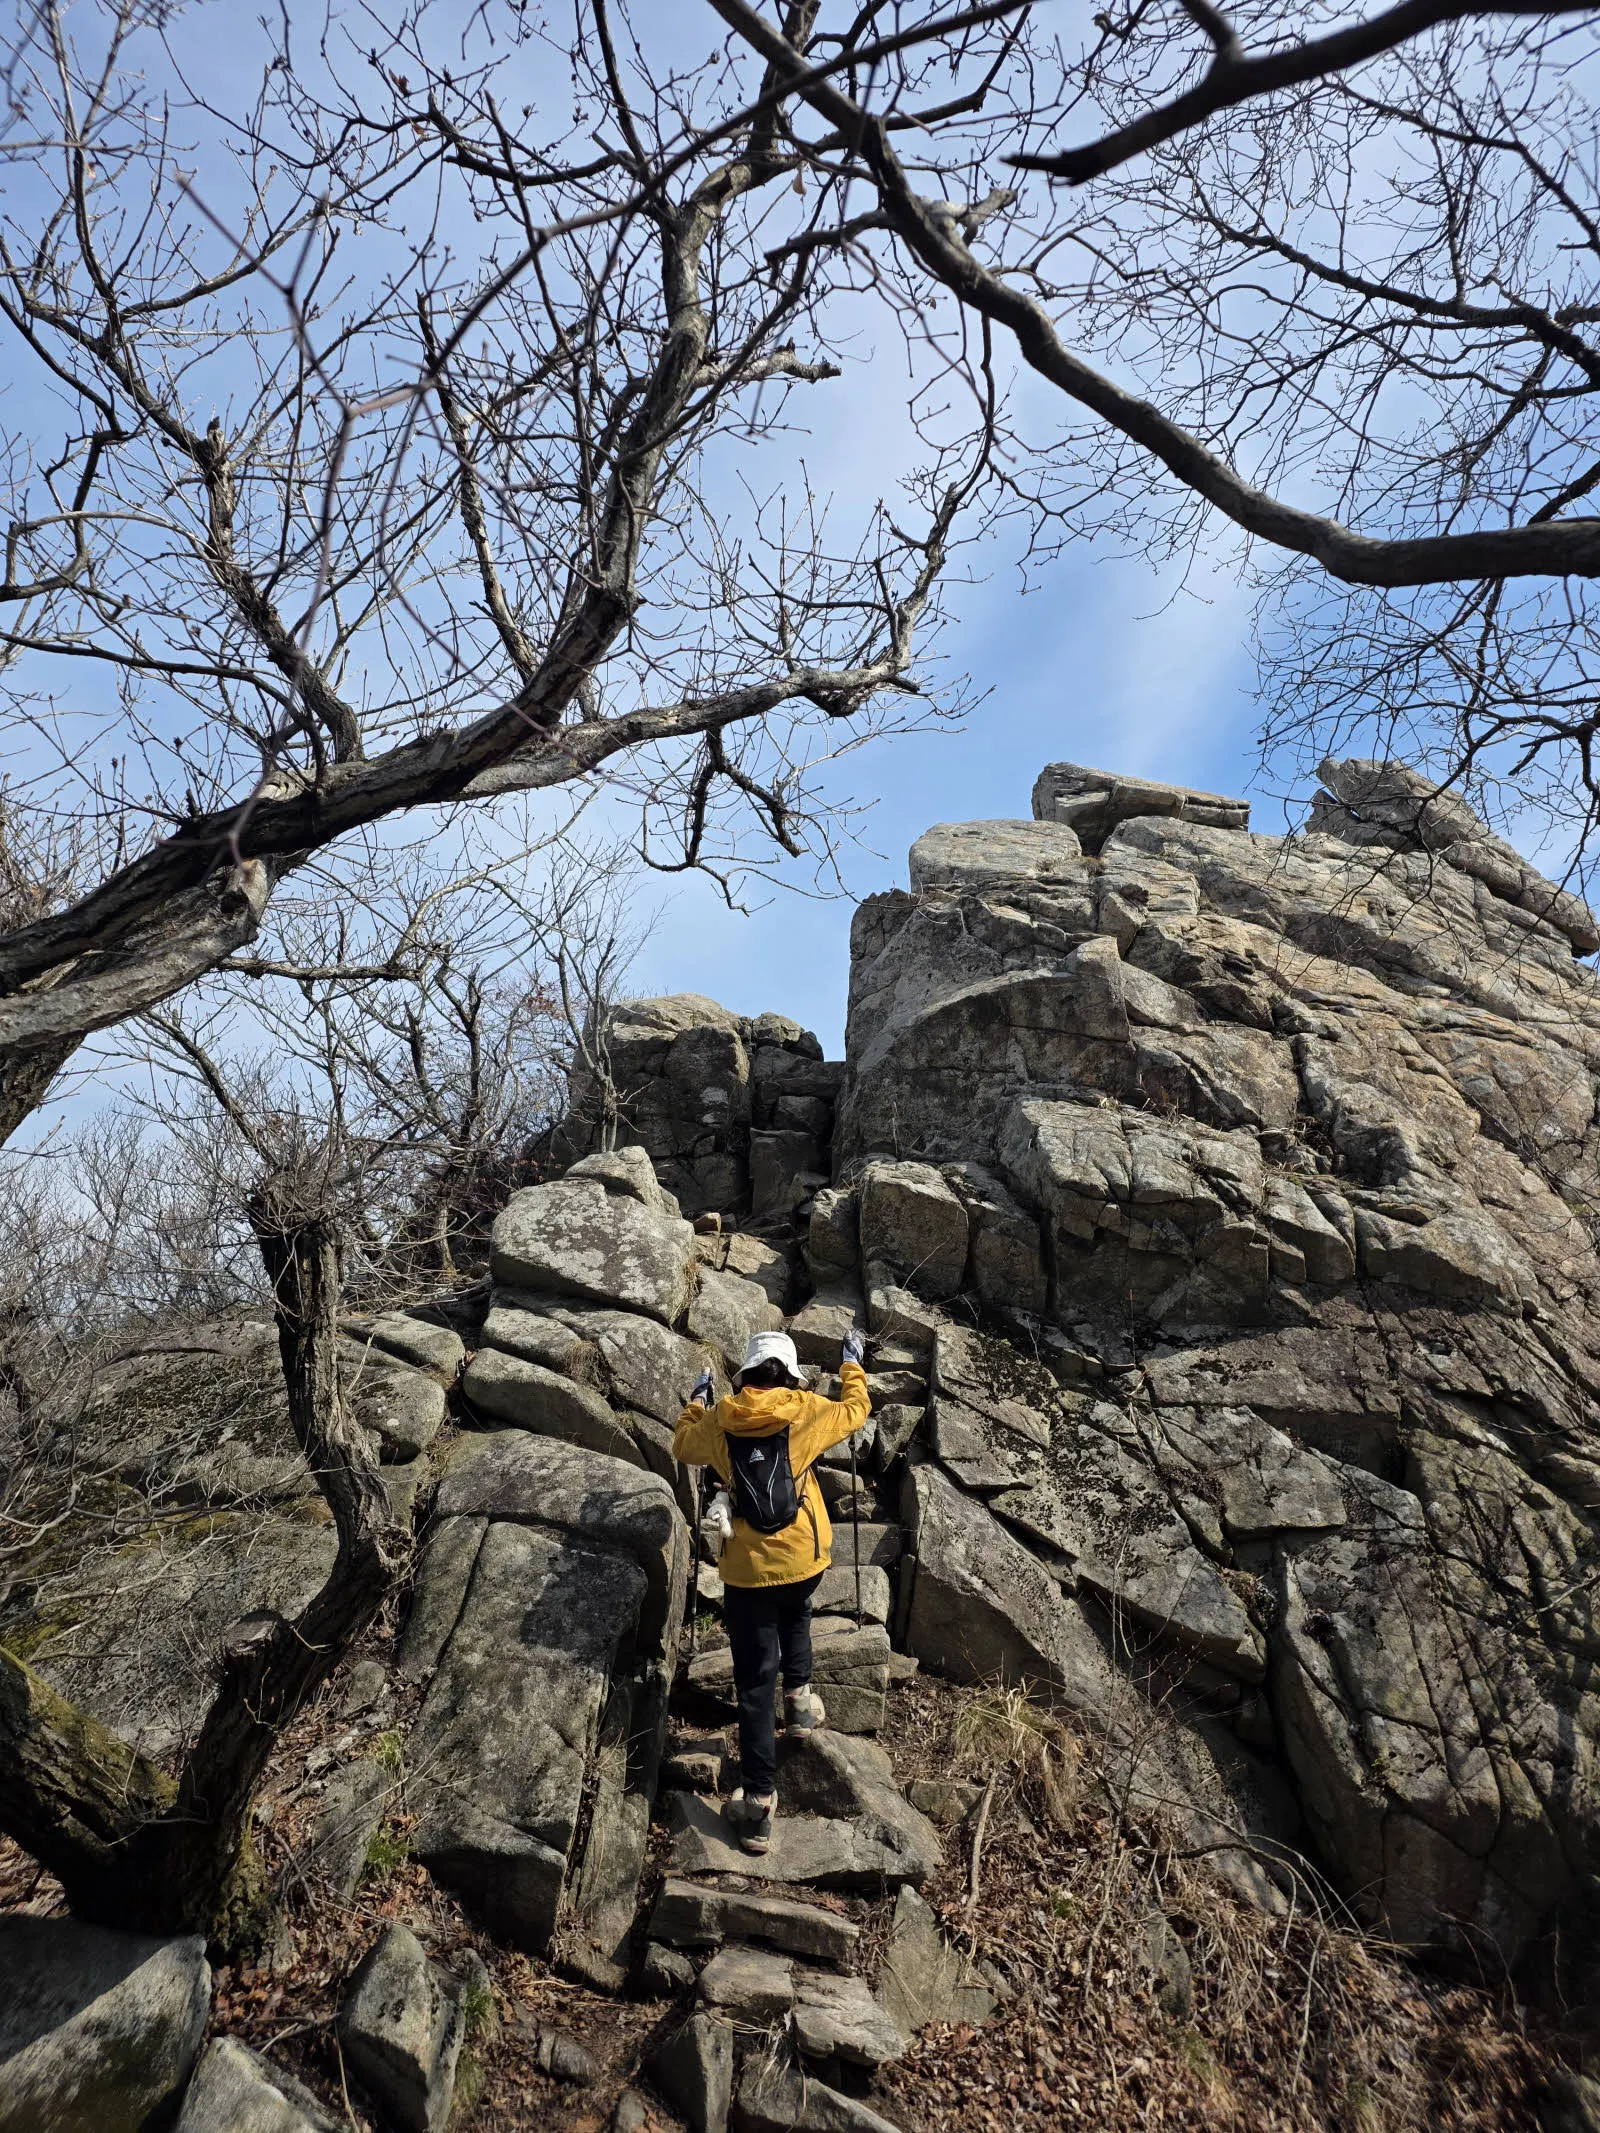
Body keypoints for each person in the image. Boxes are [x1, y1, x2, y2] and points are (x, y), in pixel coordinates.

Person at [674, 1326, 871, 1855]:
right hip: (804, 1558)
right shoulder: (807, 1410)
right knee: (798, 1607)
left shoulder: (720, 1420)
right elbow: (857, 1410)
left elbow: (682, 1445)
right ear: (789, 1373)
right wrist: (852, 1364)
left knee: (755, 1683)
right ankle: (801, 1703)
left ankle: (759, 1802)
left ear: (746, 1375)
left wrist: (697, 1403)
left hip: (747, 1573)